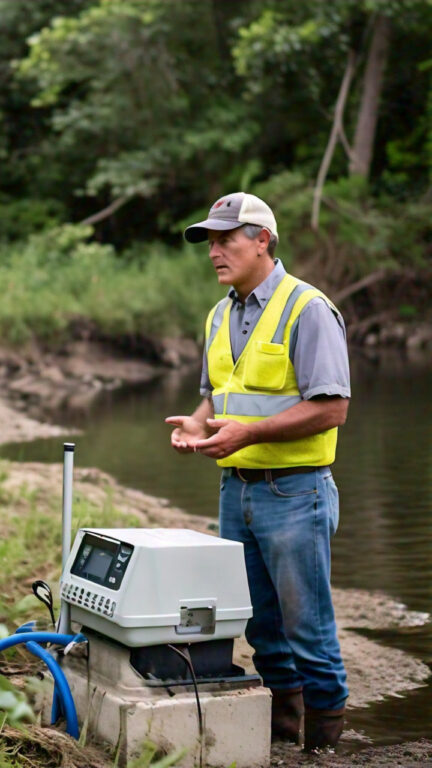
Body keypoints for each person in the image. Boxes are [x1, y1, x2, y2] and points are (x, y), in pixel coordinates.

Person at [166, 192, 350, 752]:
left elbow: (332, 407)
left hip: (296, 492)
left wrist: (248, 433)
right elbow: (215, 398)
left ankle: (324, 745)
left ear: (262, 240)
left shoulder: (308, 308)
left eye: (226, 239)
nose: (215, 251)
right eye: (210, 242)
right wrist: (196, 427)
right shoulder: (220, 313)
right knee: (262, 629)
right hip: (236, 491)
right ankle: (282, 732)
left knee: (307, 630)